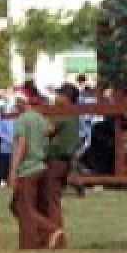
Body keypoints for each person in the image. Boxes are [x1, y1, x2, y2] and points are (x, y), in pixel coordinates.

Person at [8, 90, 61, 250]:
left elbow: (21, 145)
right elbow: (51, 130)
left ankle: (51, 230)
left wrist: (13, 170)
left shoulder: (21, 120)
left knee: (23, 207)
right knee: (20, 206)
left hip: (28, 168)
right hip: (41, 165)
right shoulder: (39, 118)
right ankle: (30, 242)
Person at [45, 83, 81, 243]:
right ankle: (54, 233)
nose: (56, 97)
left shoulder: (63, 113)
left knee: (50, 199)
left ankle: (55, 234)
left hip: (56, 159)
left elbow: (47, 129)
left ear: (66, 98)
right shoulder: (73, 113)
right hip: (64, 160)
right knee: (53, 198)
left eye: (59, 94)